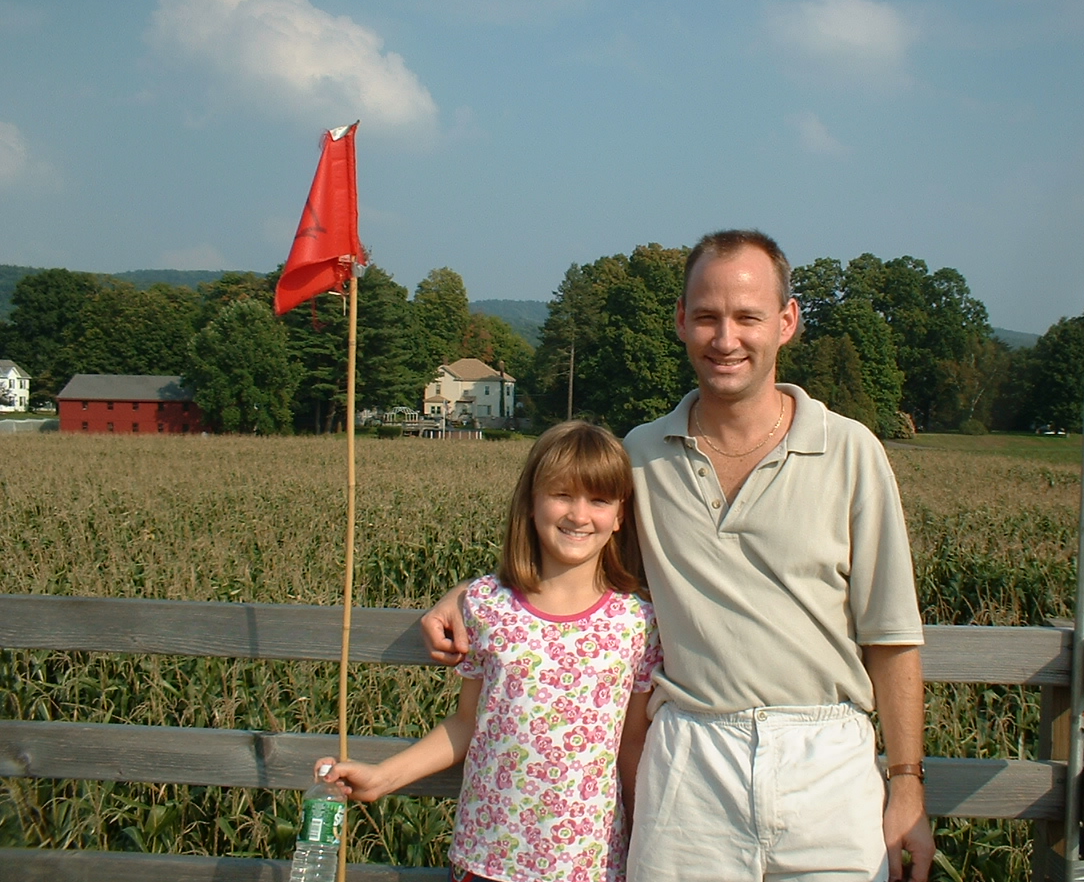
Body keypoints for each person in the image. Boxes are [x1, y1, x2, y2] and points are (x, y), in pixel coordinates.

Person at [424, 230, 934, 882]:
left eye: (748, 317)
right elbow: (576, 554)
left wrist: (907, 786)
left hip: (827, 763)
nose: (726, 338)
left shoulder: (852, 452)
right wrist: (476, 595)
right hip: (689, 759)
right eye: (708, 317)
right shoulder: (640, 455)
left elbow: (892, 634)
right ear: (682, 323)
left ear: (787, 322)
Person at [319, 420, 662, 882]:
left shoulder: (638, 623)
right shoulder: (486, 606)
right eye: (562, 494)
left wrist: (646, 845)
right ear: (531, 501)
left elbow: (632, 747)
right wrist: (384, 778)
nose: (579, 516)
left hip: (587, 863)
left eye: (599, 500)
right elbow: (467, 724)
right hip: (487, 856)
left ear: (621, 515)